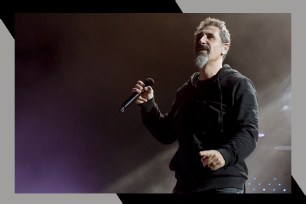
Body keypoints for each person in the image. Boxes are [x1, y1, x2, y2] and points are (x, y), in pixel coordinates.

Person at [132, 17, 259, 194]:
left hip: (222, 184)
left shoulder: (238, 85)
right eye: (199, 36)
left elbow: (249, 131)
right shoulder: (186, 91)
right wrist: (149, 106)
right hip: (186, 185)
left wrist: (224, 154)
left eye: (210, 36)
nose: (201, 40)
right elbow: (167, 134)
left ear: (225, 47)